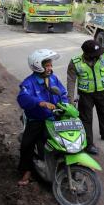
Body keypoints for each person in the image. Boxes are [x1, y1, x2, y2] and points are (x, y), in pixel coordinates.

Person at [17, 49, 68, 185]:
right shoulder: (29, 82)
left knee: (65, 140)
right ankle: (26, 171)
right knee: (27, 145)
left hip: (54, 118)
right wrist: (40, 102)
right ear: (38, 65)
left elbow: (63, 93)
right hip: (37, 120)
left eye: (51, 65)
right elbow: (22, 98)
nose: (50, 68)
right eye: (47, 66)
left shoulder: (53, 78)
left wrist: (66, 105)